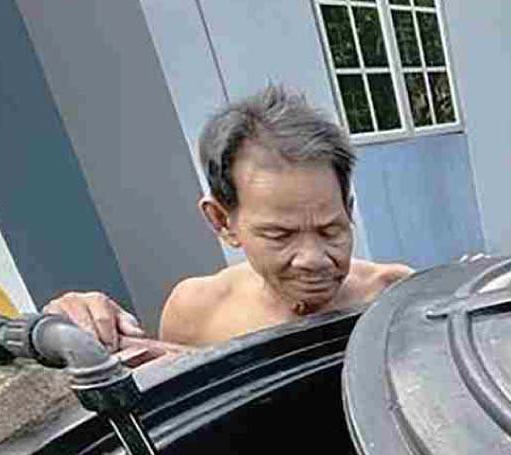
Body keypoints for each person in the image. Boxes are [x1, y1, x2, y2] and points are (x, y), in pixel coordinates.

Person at [47, 86, 410, 350]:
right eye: (280, 235)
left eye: (331, 230)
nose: (313, 259)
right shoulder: (196, 312)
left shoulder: (395, 296)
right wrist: (78, 328)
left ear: (348, 210)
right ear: (221, 221)